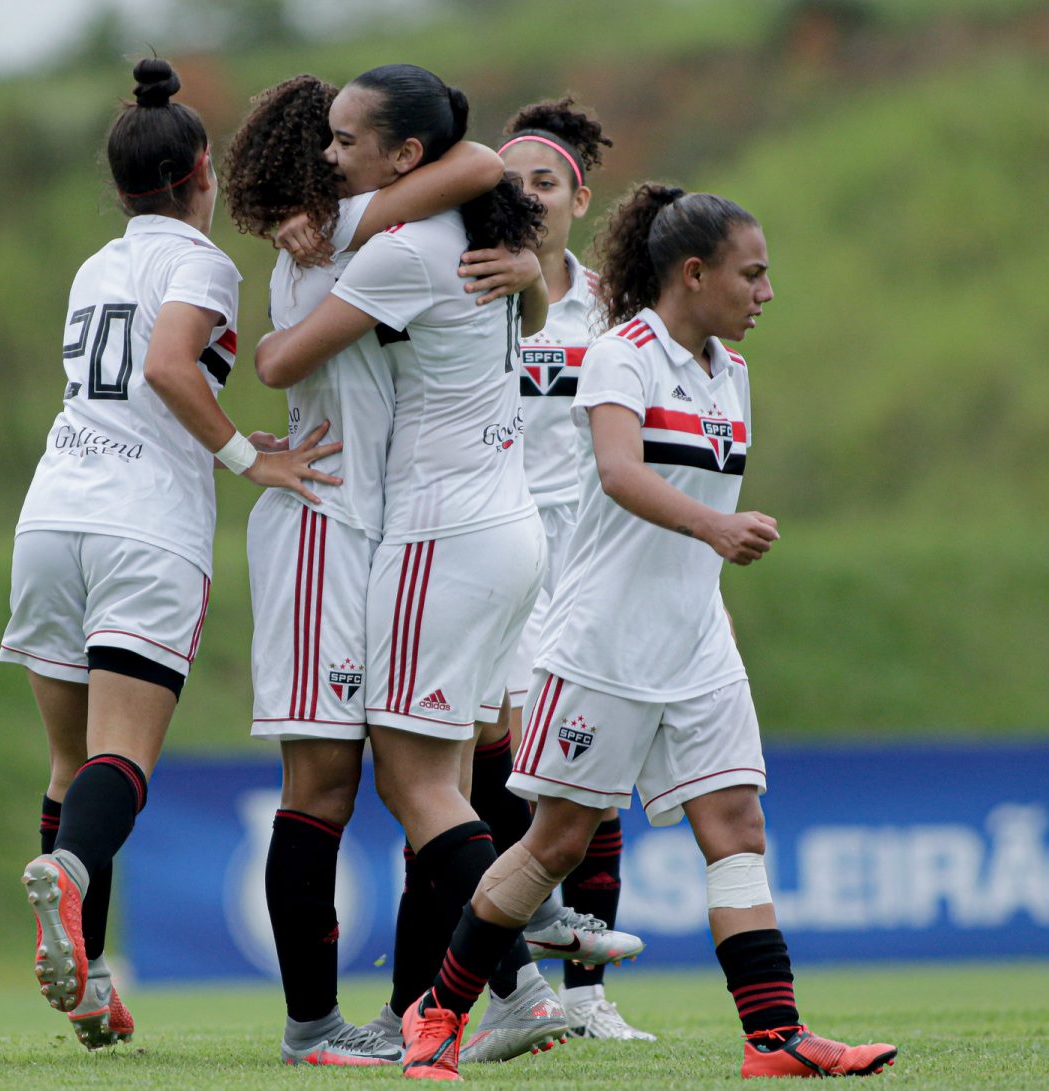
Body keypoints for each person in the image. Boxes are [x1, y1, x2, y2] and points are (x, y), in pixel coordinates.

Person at [399, 186, 900, 1081]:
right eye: (753, 273)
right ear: (694, 274)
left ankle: (775, 1038)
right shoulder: (619, 355)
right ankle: (438, 1012)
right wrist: (715, 531)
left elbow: (694, 503)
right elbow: (619, 473)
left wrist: (710, 570)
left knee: (737, 826)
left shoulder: (731, 374)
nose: (767, 292)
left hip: (698, 643)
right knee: (555, 841)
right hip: (600, 643)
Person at [0, 58, 340, 1049]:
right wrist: (246, 457)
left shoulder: (95, 266)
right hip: (144, 525)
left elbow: (142, 369)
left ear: (120, 184)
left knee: (70, 762)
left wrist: (239, 435)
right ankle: (67, 875)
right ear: (202, 172)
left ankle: (93, 983)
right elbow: (167, 362)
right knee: (122, 760)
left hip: (51, 513)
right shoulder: (201, 264)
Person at [254, 63, 570, 1072]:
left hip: (439, 532)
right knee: (448, 775)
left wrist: (289, 279)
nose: (331, 158)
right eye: (327, 140)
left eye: (349, 141)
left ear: (406, 157)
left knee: (415, 782)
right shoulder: (484, 236)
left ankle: (503, 981)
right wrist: (527, 275)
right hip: (502, 524)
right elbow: (496, 225)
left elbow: (278, 361)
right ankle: (462, 991)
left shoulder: (394, 252)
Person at [476, 95, 653, 1042]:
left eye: (545, 183)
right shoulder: (467, 288)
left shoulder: (614, 310)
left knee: (592, 773)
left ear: (579, 199)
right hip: (492, 545)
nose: (528, 199)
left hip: (587, 559)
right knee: (501, 775)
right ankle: (508, 987)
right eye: (510, 184)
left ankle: (585, 998)